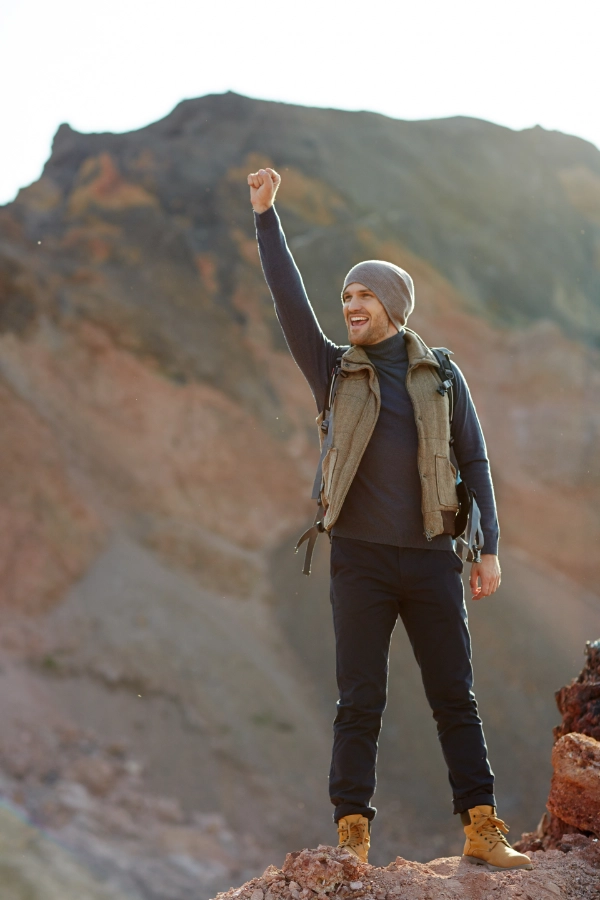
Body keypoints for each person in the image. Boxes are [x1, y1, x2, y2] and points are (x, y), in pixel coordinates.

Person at [247, 167, 532, 873]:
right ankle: (352, 835)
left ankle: (482, 828)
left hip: (434, 557)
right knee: (359, 703)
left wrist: (488, 549)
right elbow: (288, 303)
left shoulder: (440, 374)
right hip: (361, 560)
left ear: (393, 304)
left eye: (363, 294)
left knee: (454, 700)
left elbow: (476, 461)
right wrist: (265, 217)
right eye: (345, 295)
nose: (350, 306)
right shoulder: (333, 371)